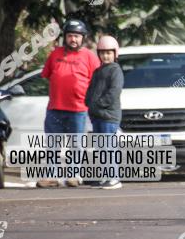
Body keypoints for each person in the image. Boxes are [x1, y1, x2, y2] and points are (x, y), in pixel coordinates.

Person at [37, 18, 101, 188]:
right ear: (65, 37)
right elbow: (47, 75)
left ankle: (74, 175)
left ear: (83, 38)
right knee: (52, 145)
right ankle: (52, 176)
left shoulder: (90, 57)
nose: (73, 39)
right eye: (70, 36)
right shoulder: (55, 54)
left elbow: (98, 81)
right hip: (54, 108)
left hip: (79, 109)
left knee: (76, 145)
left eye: (77, 36)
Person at [85, 35, 124, 189]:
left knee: (108, 148)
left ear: (115, 54)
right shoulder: (98, 71)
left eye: (109, 53)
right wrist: (88, 102)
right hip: (97, 116)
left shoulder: (115, 70)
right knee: (101, 149)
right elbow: (91, 89)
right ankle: (105, 177)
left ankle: (114, 179)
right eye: (102, 53)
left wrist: (99, 104)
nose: (106, 56)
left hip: (109, 117)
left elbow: (114, 92)